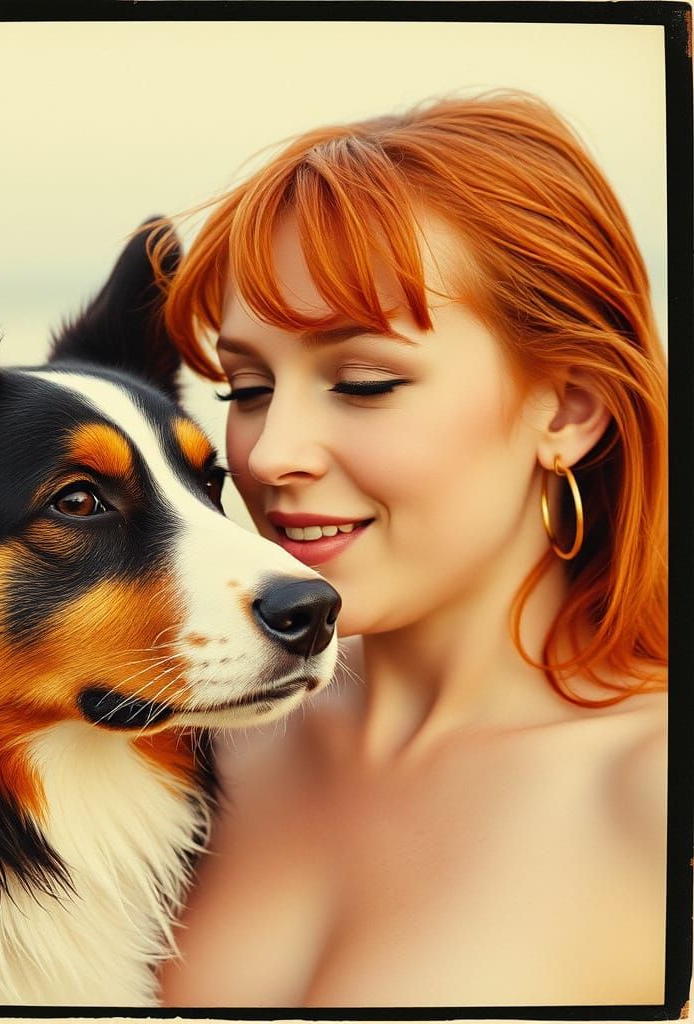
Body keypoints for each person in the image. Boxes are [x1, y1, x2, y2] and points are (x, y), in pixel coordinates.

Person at [152, 91, 668, 1008]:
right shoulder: (184, 747)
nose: (271, 455)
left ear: (569, 408)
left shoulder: (655, 796)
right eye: (246, 388)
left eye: (363, 382)